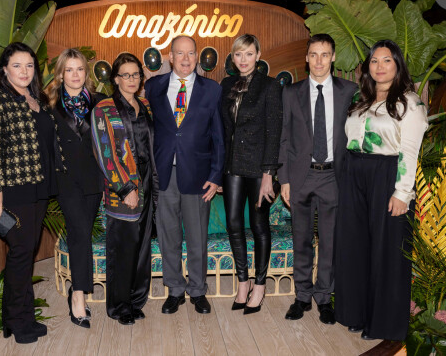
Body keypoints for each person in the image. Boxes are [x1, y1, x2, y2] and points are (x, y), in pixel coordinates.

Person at [334, 40, 428, 341]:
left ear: (397, 65)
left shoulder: (410, 103)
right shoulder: (361, 100)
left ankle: (384, 323)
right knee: (355, 246)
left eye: (387, 60)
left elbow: (410, 151)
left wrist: (403, 193)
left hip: (387, 176)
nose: (380, 66)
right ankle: (357, 313)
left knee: (386, 251)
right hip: (354, 174)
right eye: (374, 61)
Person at [0, 42, 62, 344]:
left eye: (29, 66)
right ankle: (17, 321)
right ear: (4, 69)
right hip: (12, 190)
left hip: (37, 187)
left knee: (24, 252)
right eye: (17, 65)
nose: (24, 71)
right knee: (22, 255)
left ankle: (20, 318)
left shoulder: (35, 98)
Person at [278, 34, 358, 325]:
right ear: (307, 58)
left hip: (334, 177)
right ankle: (302, 297)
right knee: (301, 240)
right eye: (314, 54)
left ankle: (324, 298)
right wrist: (284, 179)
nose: (319, 61)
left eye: (325, 54)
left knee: (329, 242)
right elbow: (284, 138)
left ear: (333, 57)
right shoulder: (290, 92)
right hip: (301, 177)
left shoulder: (350, 91)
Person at [145, 35, 224, 315]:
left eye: (191, 53)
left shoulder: (212, 89)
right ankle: (175, 289)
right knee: (168, 235)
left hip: (199, 175)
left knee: (197, 237)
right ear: (170, 56)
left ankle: (198, 290)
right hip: (165, 173)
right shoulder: (153, 86)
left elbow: (219, 136)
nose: (186, 59)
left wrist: (216, 176)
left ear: (197, 56)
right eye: (180, 54)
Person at [91, 53, 158, 326]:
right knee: (123, 247)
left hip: (148, 182)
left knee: (142, 245)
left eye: (135, 75)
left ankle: (136, 299)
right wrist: (125, 187)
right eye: (125, 75)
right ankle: (119, 306)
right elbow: (102, 151)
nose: (131, 80)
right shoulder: (104, 108)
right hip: (124, 185)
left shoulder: (146, 105)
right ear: (115, 78)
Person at [220, 34, 283, 314]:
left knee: (259, 225)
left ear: (258, 55)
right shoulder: (226, 85)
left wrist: (269, 173)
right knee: (234, 224)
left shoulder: (270, 86)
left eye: (248, 54)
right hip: (232, 166)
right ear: (232, 58)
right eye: (238, 54)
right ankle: (242, 282)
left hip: (259, 168)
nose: (243, 59)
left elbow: (274, 131)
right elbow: (223, 130)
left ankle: (260, 284)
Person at [45, 48, 104, 329]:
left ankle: (77, 289)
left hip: (94, 180)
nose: (75, 74)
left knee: (83, 234)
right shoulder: (49, 106)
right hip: (66, 180)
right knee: (80, 233)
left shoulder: (101, 102)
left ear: (86, 72)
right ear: (61, 74)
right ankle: (78, 296)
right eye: (69, 69)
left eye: (79, 68)